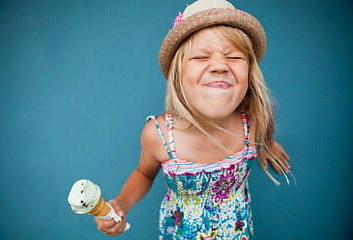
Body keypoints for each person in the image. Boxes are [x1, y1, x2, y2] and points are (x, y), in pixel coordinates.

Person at [95, 0, 292, 239]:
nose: (220, 65)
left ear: (249, 74)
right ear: (179, 75)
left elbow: (267, 115)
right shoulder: (159, 135)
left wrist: (268, 144)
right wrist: (122, 205)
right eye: (200, 57)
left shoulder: (254, 121)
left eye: (234, 57)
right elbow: (144, 173)